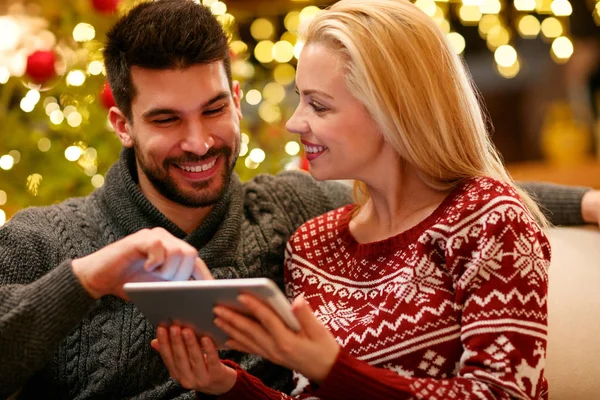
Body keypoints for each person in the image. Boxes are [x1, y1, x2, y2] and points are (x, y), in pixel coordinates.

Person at [0, 0, 597, 398]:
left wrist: (587, 203)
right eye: (165, 120)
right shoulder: (46, 241)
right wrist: (89, 277)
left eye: (213, 110)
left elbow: (436, 192)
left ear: (235, 100)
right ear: (122, 124)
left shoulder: (285, 212)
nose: (198, 140)